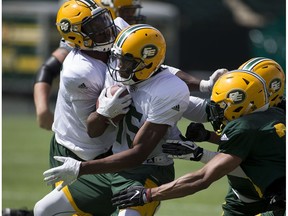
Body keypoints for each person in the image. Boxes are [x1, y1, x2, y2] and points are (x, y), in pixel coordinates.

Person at [41, 23, 190, 216]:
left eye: (127, 61)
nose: (119, 66)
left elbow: (139, 153)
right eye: (118, 59)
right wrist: (103, 113)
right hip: (113, 165)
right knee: (43, 210)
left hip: (147, 170)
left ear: (146, 62)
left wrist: (81, 168)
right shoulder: (120, 79)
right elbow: (93, 130)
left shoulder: (169, 90)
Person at [110, 70, 286, 216]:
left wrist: (148, 194)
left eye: (222, 107)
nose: (216, 113)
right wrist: (207, 138)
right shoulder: (275, 115)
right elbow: (252, 155)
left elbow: (202, 178)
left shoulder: (244, 127)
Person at [33, 0, 133, 215]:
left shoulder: (120, 29)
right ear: (77, 37)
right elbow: (94, 129)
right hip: (78, 147)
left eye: (104, 19)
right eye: (95, 26)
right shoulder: (78, 70)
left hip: (110, 145)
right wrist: (42, 109)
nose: (106, 28)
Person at [33, 0, 145, 131]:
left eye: (133, 11)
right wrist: (43, 110)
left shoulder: (119, 27)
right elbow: (48, 69)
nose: (132, 16)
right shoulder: (80, 53)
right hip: (86, 134)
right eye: (127, 11)